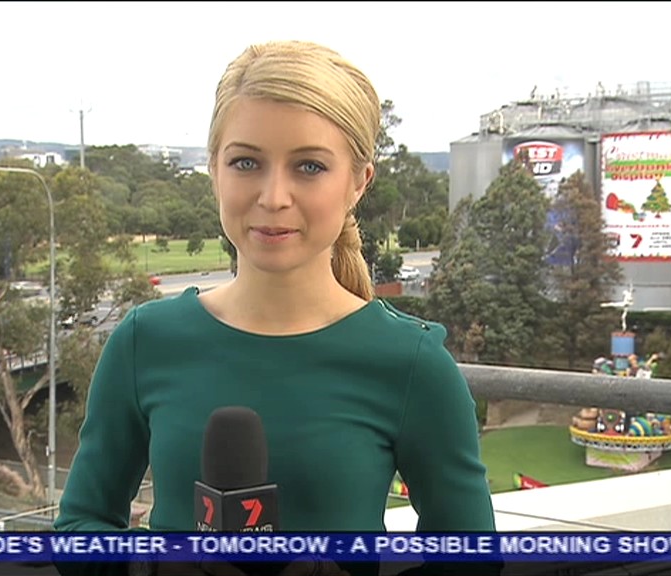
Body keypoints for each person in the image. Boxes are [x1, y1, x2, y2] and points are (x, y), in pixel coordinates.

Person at [54, 40, 496, 576]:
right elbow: (79, 527)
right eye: (246, 162)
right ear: (214, 170)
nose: (273, 196)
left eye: (309, 166)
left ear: (358, 182)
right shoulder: (145, 340)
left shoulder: (413, 364)